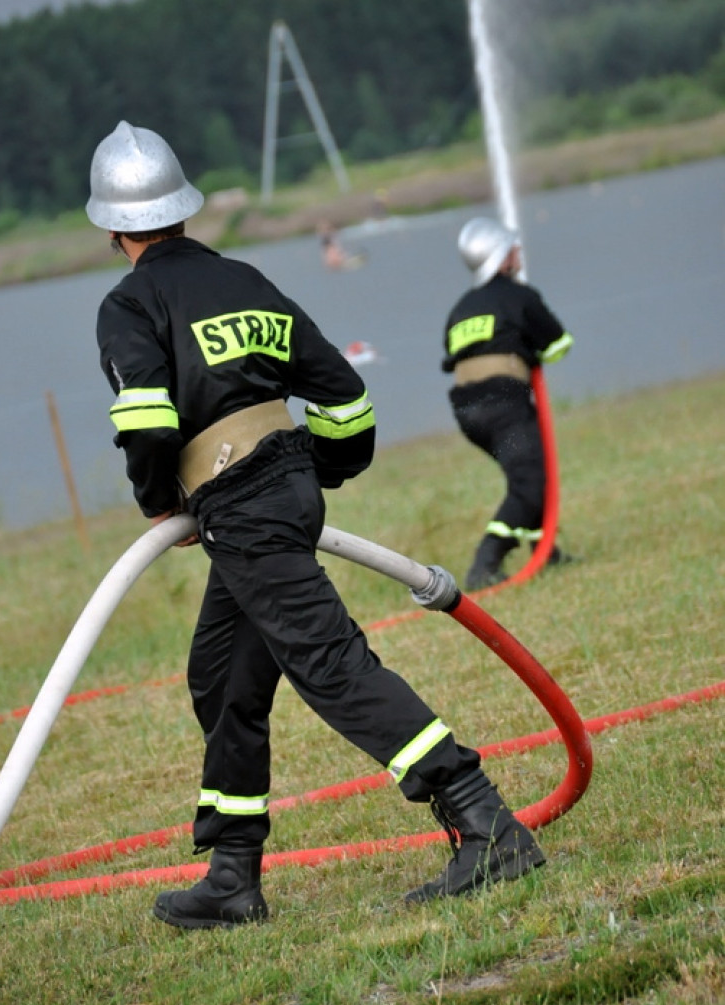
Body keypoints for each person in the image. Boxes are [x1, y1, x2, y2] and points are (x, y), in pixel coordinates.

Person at [86, 122, 545, 930]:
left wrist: (162, 503)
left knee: (331, 665)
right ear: (183, 210)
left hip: (237, 504)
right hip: (288, 487)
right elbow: (345, 396)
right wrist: (315, 473)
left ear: (112, 227)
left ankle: (484, 821)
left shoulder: (129, 304)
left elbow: (149, 420)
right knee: (222, 675)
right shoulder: (245, 279)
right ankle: (232, 874)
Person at [442, 216, 575, 591]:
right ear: (501, 258)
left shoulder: (462, 307)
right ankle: (485, 564)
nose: (518, 253)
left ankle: (544, 550)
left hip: (469, 412)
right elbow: (559, 344)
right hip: (504, 405)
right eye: (512, 248)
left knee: (530, 473)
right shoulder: (519, 296)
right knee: (530, 479)